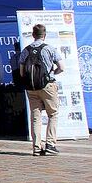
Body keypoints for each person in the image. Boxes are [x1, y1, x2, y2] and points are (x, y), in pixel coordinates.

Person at [19, 23, 63, 156]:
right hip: (47, 85)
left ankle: (36, 147)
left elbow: (21, 72)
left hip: (31, 88)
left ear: (33, 35)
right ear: (44, 35)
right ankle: (50, 144)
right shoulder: (49, 49)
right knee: (53, 114)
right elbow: (62, 67)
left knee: (35, 117)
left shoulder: (25, 50)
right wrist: (52, 73)